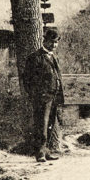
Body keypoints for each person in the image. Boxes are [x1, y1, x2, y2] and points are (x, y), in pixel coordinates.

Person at [24, 28, 65, 162]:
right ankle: (40, 153)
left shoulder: (53, 57)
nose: (54, 45)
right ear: (45, 41)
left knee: (50, 125)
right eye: (51, 42)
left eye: (56, 43)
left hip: (54, 97)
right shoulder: (35, 57)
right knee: (41, 125)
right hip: (42, 98)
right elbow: (27, 79)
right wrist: (36, 95)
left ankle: (46, 151)